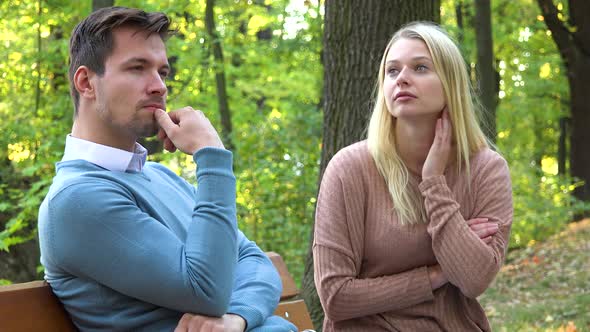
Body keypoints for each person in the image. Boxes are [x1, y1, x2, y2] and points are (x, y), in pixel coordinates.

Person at [38, 6, 296, 332]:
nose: (159, 86)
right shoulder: (76, 199)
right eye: (137, 68)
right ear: (86, 82)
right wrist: (211, 155)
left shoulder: (161, 177)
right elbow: (205, 291)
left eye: (163, 72)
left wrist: (238, 318)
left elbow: (255, 261)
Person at [313, 22, 513, 331]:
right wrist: (436, 274)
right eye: (392, 71)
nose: (402, 78)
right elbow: (335, 295)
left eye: (420, 67)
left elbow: (474, 280)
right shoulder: (349, 168)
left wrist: (433, 181)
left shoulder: (487, 169)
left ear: (451, 84)